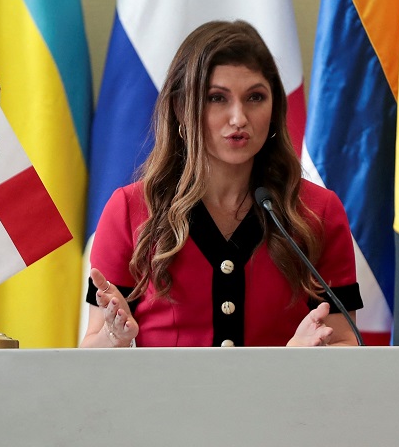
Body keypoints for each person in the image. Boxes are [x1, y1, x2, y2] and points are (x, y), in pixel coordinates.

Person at [82, 20, 362, 348]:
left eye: (255, 97)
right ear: (180, 107)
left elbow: (346, 345)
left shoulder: (318, 211)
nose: (239, 118)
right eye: (217, 98)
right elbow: (91, 356)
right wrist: (112, 338)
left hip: (283, 401)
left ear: (274, 108)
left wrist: (299, 362)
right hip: (163, 400)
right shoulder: (130, 209)